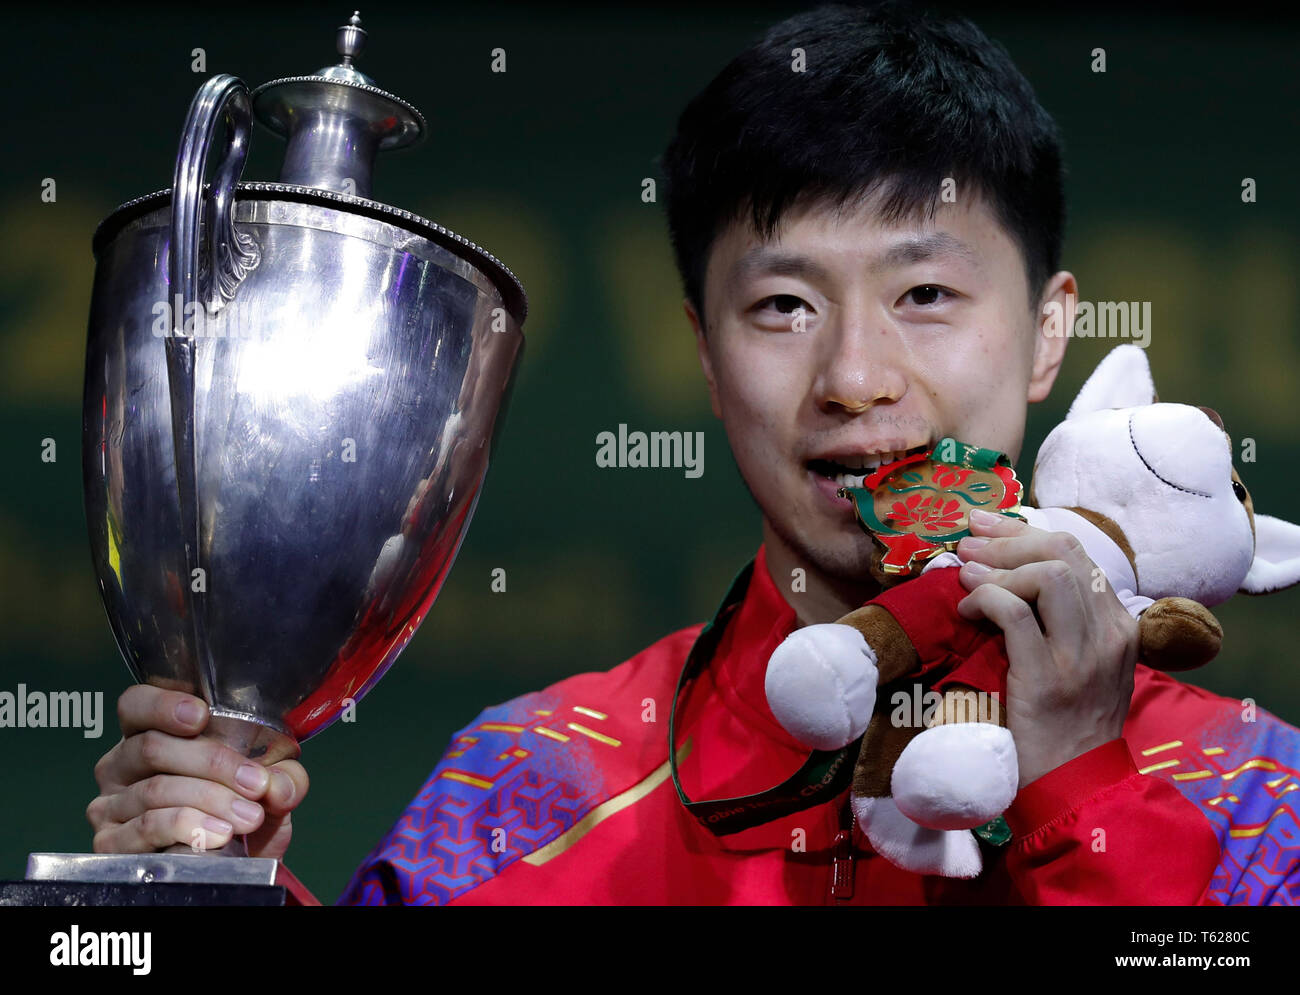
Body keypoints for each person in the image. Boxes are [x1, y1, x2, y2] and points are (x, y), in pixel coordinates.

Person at [86, 1, 1300, 905]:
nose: (854, 377)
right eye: (782, 306)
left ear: (1048, 335)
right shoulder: (527, 786)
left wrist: (1084, 791)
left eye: (925, 291)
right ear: (704, 357)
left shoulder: (1255, 793)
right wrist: (199, 896)